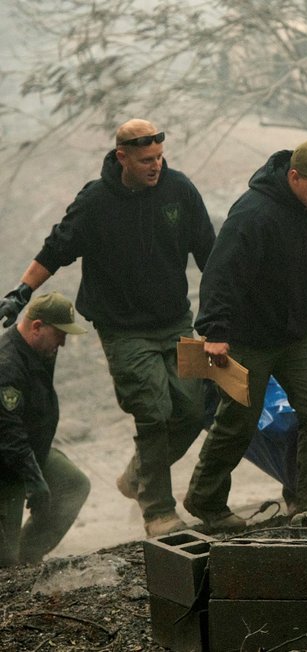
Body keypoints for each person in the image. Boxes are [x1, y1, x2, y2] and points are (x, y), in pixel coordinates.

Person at [0, 119, 215, 537]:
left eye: (159, 158)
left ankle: (138, 475)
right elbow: (57, 247)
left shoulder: (180, 190)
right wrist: (22, 290)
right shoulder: (96, 201)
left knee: (192, 410)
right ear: (122, 157)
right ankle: (158, 511)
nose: (155, 166)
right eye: (145, 160)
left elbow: (210, 253)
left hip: (175, 321)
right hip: (123, 328)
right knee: (153, 411)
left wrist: (228, 311)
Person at [186, 139, 307, 528]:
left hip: (300, 332)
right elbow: (220, 274)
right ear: (295, 177)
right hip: (246, 337)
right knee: (237, 422)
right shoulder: (252, 214)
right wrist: (214, 331)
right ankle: (205, 499)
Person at [0, 293, 90, 566]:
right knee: (4, 560)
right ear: (37, 326)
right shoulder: (7, 366)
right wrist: (34, 480)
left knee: (73, 485)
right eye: (60, 334)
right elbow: (8, 435)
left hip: (27, 451)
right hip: (5, 465)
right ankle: (13, 563)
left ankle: (28, 556)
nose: (63, 342)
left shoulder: (38, 349)